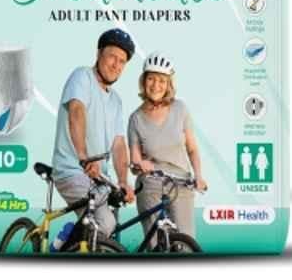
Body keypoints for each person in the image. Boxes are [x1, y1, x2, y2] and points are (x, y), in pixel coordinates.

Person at [51, 28, 136, 237]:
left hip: (99, 178)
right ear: (99, 54)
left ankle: (74, 239)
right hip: (72, 170)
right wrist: (83, 156)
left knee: (111, 227)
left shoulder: (116, 101)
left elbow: (118, 143)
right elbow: (77, 111)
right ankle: (63, 243)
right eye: (112, 57)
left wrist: (123, 180)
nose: (116, 65)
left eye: (122, 61)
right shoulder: (82, 76)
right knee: (104, 224)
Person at [128, 52, 207, 243]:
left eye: (162, 80)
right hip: (151, 182)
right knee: (154, 241)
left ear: (168, 84)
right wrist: (140, 164)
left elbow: (192, 149)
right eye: (151, 79)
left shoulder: (180, 109)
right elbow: (134, 160)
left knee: (186, 241)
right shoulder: (136, 118)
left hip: (181, 181)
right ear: (143, 81)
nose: (156, 85)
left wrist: (198, 176)